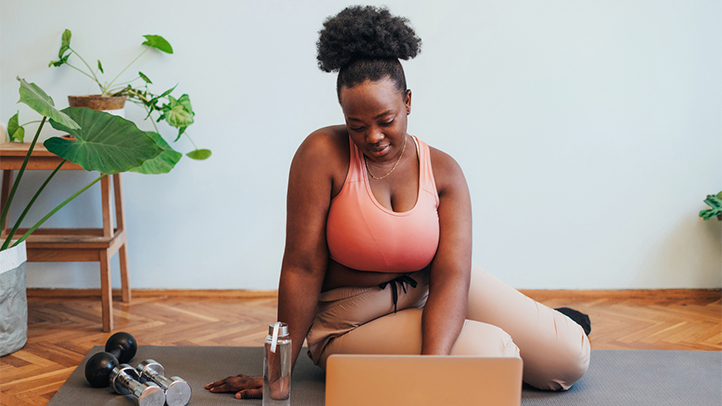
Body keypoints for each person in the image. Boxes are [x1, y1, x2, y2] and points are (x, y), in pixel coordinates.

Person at [206, 6, 591, 399]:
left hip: (427, 288)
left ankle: (546, 331)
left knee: (569, 357)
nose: (372, 136)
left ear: (407, 102)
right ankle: (502, 343)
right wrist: (278, 371)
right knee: (496, 353)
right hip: (350, 320)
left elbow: (453, 274)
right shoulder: (322, 154)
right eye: (357, 125)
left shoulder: (444, 171)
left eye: (385, 120)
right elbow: (302, 267)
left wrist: (432, 362)